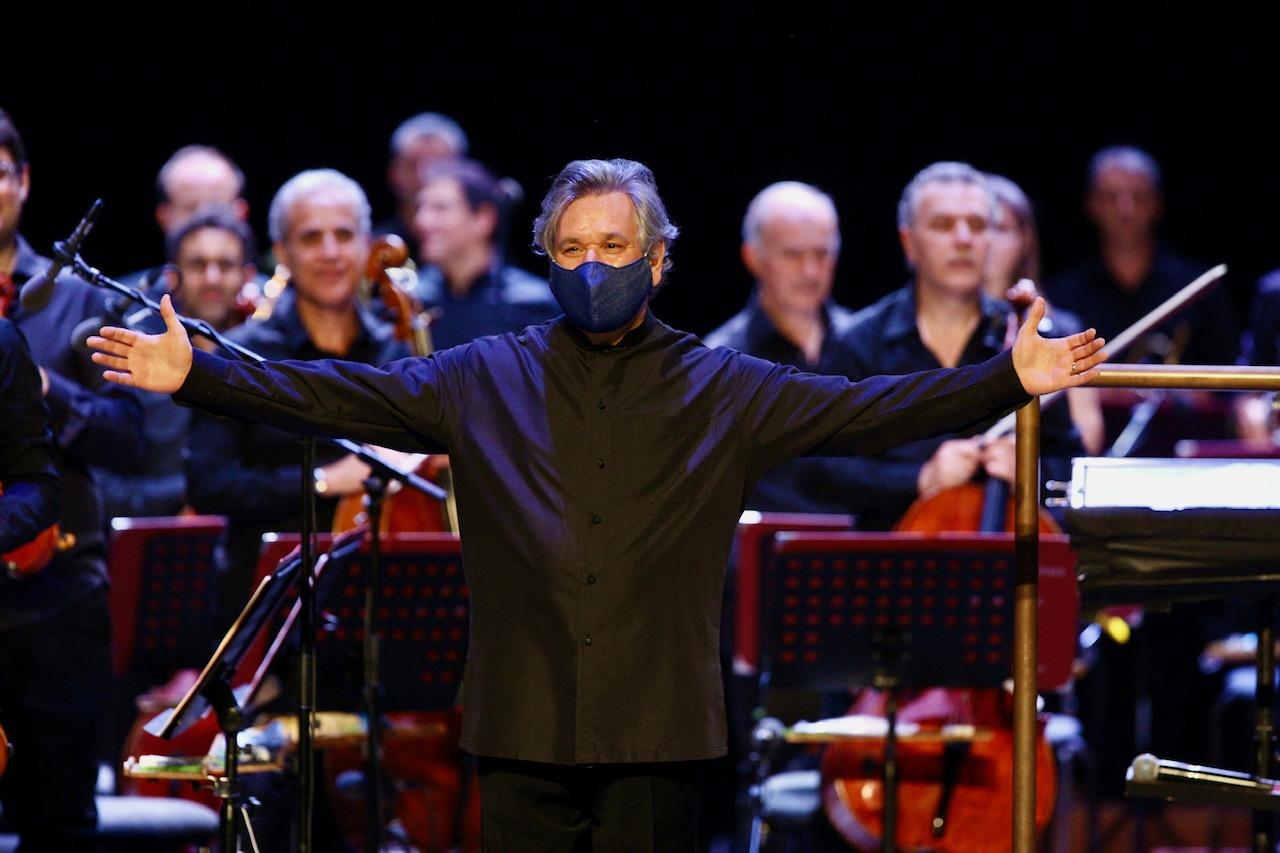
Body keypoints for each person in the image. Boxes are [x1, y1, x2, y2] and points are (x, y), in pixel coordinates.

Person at [89, 157, 1105, 851]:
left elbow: (868, 411)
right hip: (518, 716)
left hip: (659, 728)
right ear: (545, 256)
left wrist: (1004, 381)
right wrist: (199, 373)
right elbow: (331, 393)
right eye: (571, 247)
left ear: (657, 261)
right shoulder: (480, 374)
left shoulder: (724, 384)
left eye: (614, 248)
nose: (591, 267)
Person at [0, 107, 145, 851]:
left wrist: (45, 394)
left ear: (21, 181)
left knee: (59, 823)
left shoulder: (84, 301)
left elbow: (131, 440)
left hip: (58, 594)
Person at [183, 169, 407, 623]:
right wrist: (324, 481)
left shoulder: (396, 353)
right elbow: (211, 485)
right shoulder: (241, 355)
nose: (330, 253)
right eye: (310, 238)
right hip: (264, 609)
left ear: (366, 245)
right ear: (282, 251)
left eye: (344, 235)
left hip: (380, 603)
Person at [831, 162, 1084, 531]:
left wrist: (1033, 471)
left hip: (1007, 559)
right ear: (909, 242)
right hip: (886, 562)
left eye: (979, 225)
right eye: (943, 225)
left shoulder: (1023, 341)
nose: (964, 238)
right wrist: (920, 478)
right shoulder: (858, 342)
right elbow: (820, 469)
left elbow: (1075, 464)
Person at [704, 180, 865, 514]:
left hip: (865, 552)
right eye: (793, 254)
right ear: (753, 258)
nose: (810, 271)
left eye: (821, 254)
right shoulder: (722, 359)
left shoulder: (865, 339)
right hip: (765, 558)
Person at [95, 205, 257, 520]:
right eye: (198, 265)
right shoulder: (132, 359)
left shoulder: (261, 362)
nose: (212, 278)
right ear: (172, 277)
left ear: (247, 277)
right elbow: (100, 485)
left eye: (225, 265)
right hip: (146, 543)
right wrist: (191, 495)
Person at [1044, 145, 1239, 365]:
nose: (1125, 209)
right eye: (1111, 197)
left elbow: (1229, 386)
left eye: (1138, 196)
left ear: (1157, 204)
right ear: (1092, 205)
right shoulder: (1062, 294)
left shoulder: (1200, 288)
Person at [984, 172, 1105, 455]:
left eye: (1000, 229)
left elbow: (1089, 432)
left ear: (1025, 238)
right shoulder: (944, 327)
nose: (986, 242)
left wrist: (1029, 462)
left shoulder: (1060, 328)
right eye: (980, 227)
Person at [411, 158, 558, 349]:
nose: (421, 221)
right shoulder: (417, 300)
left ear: (483, 219)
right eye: (420, 208)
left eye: (440, 208)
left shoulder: (530, 304)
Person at [379, 112, 468, 254]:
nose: (425, 177)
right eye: (414, 165)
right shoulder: (375, 246)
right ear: (393, 173)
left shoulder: (482, 251)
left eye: (440, 166)